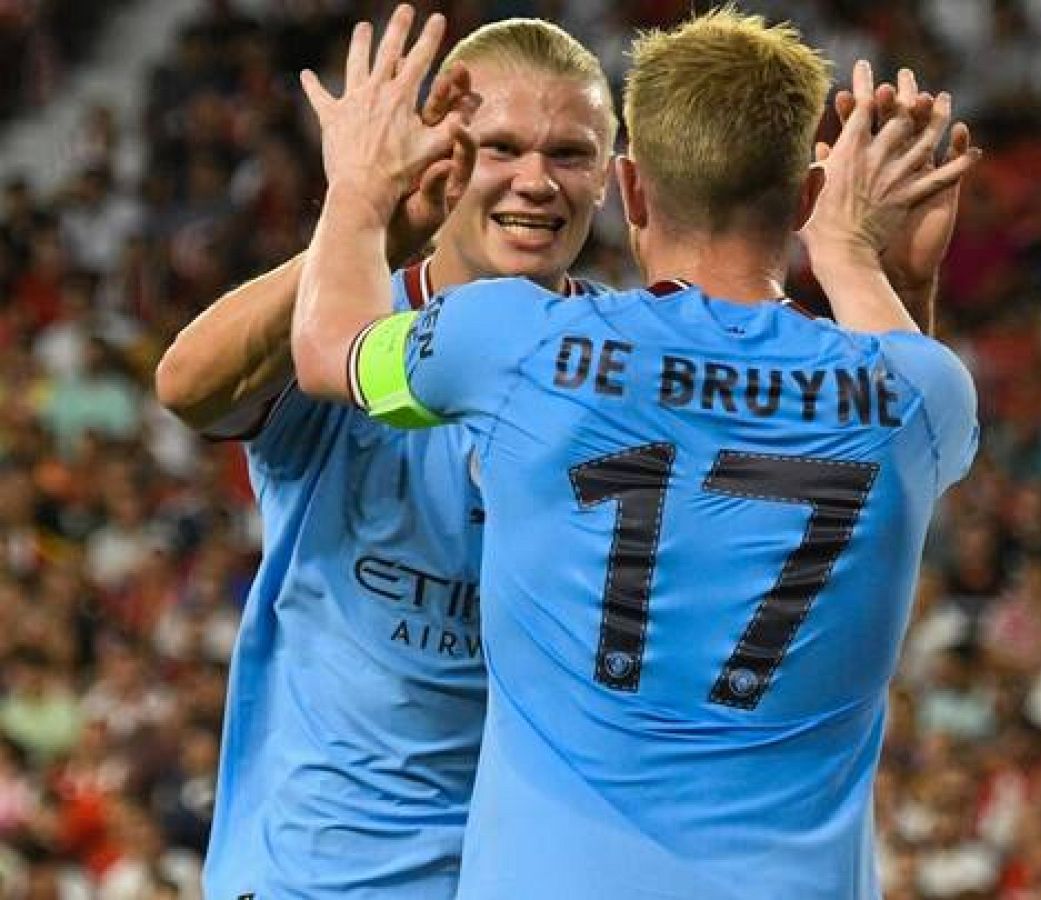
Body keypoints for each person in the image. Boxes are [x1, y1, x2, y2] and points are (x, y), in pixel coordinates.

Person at [289, 6, 980, 898]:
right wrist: (859, 256)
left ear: (632, 187)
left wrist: (357, 185)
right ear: (805, 198)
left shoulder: (516, 343)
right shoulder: (919, 393)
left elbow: (326, 348)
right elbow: (907, 410)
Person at [153, 11, 617, 897]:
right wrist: (362, 215)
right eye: (502, 147)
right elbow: (188, 387)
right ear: (441, 156)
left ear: (609, 179)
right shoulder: (353, 325)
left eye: (569, 154)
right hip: (317, 876)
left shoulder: (629, 365)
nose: (535, 181)